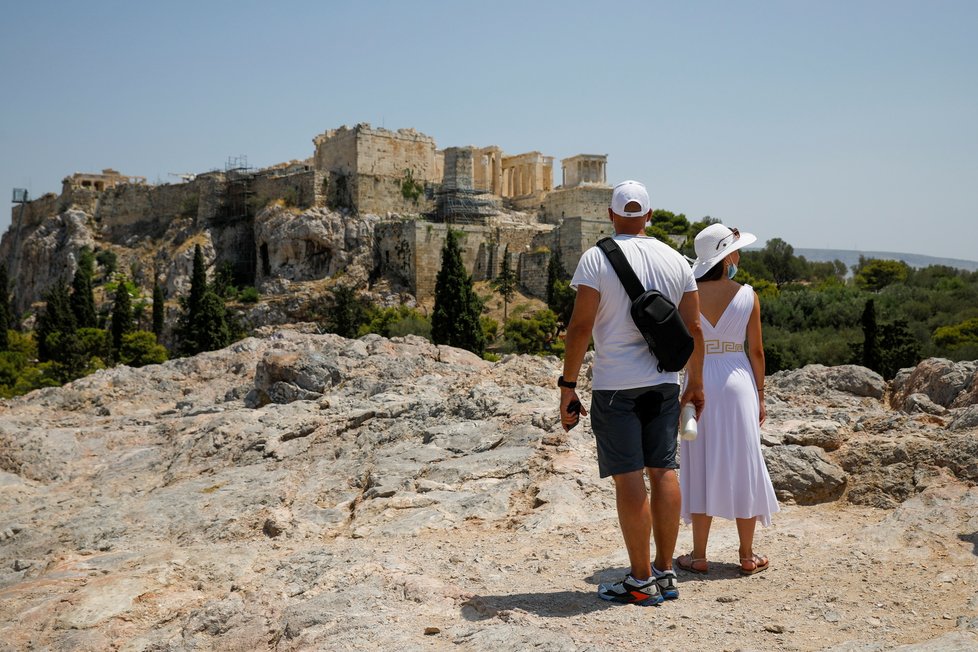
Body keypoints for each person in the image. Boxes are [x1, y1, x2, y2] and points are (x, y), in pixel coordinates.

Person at [560, 180, 705, 606]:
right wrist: (694, 383)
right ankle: (664, 572)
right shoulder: (677, 259)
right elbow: (694, 328)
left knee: (629, 479)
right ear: (650, 216)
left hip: (615, 385)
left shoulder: (595, 258)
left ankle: (640, 581)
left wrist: (567, 385)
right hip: (664, 382)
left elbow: (581, 327)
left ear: (610, 214)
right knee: (663, 470)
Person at [676, 223, 780, 576]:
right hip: (739, 381)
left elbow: (684, 343)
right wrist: (761, 395)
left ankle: (699, 555)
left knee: (700, 462)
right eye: (735, 251)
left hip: (699, 377)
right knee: (744, 463)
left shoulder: (686, 294)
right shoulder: (748, 294)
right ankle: (747, 555)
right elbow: (757, 350)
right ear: (726, 257)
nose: (738, 257)